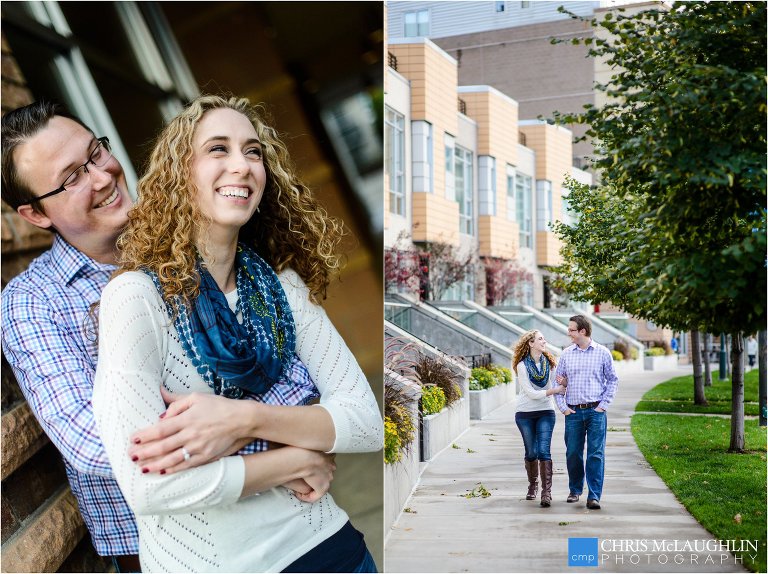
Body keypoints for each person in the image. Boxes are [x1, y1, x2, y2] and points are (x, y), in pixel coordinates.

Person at [91, 94, 383, 573]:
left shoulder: (280, 289)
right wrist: (296, 459)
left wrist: (241, 420)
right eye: (218, 149)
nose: (242, 166)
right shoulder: (137, 299)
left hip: (333, 551)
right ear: (180, 174)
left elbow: (365, 422)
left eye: (253, 152)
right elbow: (149, 486)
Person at [1, 102, 140, 570]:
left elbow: (285, 368)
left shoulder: (182, 239)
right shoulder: (31, 303)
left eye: (96, 153)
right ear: (35, 214)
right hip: (161, 544)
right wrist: (253, 438)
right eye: (72, 178)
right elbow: (92, 443)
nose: (102, 177)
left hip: (287, 506)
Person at [554, 315, 619, 510]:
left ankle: (594, 495)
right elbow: (558, 382)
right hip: (573, 412)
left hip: (595, 411)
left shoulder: (603, 353)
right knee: (573, 453)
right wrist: (563, 408)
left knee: (595, 454)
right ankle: (575, 490)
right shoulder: (566, 354)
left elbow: (613, 380)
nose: (569, 333)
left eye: (572, 330)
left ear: (582, 331)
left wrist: (603, 405)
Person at [512, 330, 566, 507]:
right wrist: (554, 391)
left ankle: (546, 492)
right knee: (531, 453)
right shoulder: (521, 366)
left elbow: (558, 383)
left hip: (546, 412)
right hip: (525, 414)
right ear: (531, 343)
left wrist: (563, 383)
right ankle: (533, 484)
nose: (544, 341)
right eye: (540, 339)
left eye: (544, 338)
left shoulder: (550, 363)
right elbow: (531, 393)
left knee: (544, 451)